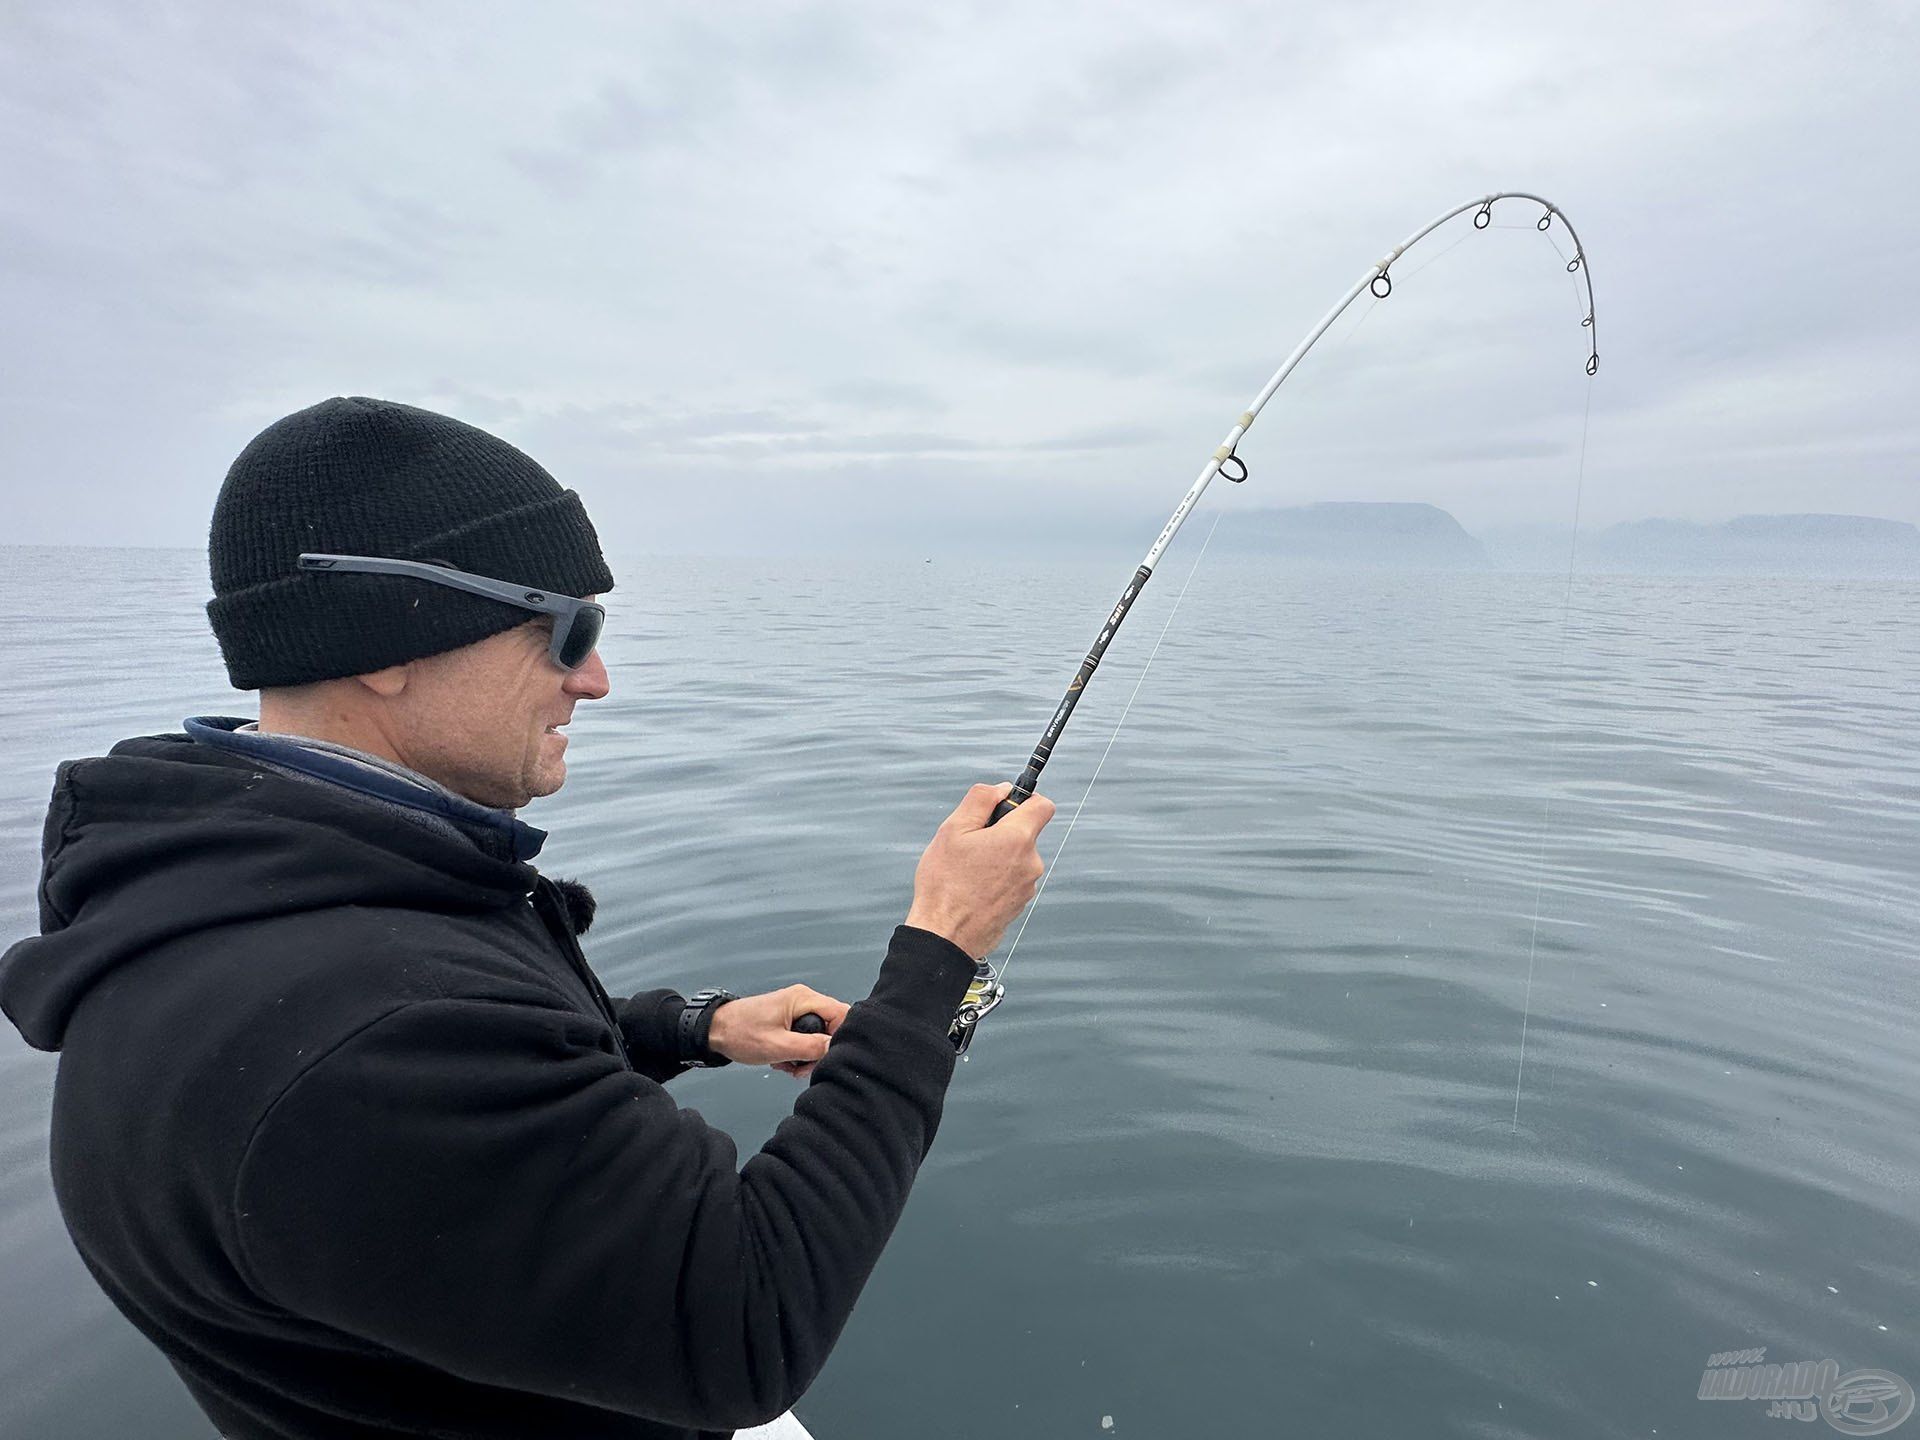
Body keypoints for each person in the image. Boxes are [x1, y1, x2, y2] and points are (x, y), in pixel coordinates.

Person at [0, 397, 1055, 1440]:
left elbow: (466, 1107)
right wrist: (940, 955)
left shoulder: (245, 895)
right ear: (385, 637)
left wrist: (686, 1029)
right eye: (566, 631)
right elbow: (746, 1324)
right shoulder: (363, 1035)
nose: (595, 680)